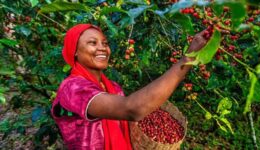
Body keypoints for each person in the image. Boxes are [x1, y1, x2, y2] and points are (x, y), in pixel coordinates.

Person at [51, 24, 207, 149]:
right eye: (92, 43)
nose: (103, 48)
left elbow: (129, 124)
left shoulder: (113, 87)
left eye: (105, 43)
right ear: (75, 51)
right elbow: (132, 109)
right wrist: (186, 59)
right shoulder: (72, 88)